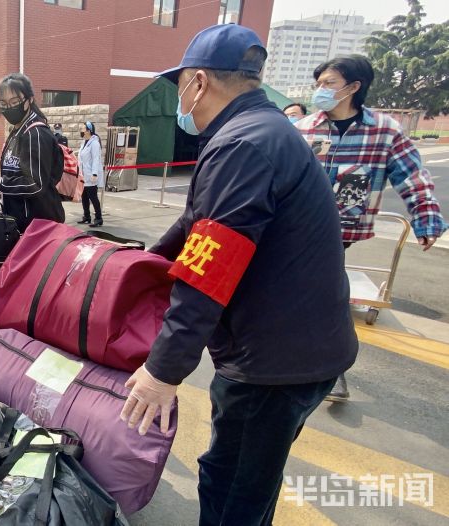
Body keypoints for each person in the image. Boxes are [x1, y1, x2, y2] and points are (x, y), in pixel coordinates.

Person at [119, 25, 358, 526]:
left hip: (272, 364)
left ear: (199, 82)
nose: (180, 96)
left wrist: (163, 372)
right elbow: (197, 226)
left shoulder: (243, 145)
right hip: (301, 348)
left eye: (179, 84)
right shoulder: (258, 131)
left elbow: (209, 270)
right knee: (250, 477)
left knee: (233, 488)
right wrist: (134, 264)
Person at [294, 55, 447, 401]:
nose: (321, 90)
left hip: (342, 231)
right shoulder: (303, 129)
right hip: (297, 228)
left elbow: (412, 177)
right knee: (309, 298)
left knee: (325, 299)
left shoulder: (384, 131)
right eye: (318, 84)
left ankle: (330, 372)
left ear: (354, 87)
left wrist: (426, 219)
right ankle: (311, 369)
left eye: (329, 83)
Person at [0, 73, 65, 232]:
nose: (9, 108)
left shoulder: (36, 134)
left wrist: (1, 183)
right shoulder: (17, 131)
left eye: (15, 102)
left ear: (29, 100)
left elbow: (36, 184)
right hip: (20, 222)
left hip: (38, 226)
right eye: (3, 103)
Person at [77, 121, 104, 227]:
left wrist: (94, 174)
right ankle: (87, 217)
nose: (81, 130)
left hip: (91, 175)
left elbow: (96, 159)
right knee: (84, 197)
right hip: (83, 175)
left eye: (83, 128)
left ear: (88, 130)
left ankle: (98, 218)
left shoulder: (95, 143)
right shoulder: (84, 143)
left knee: (93, 197)